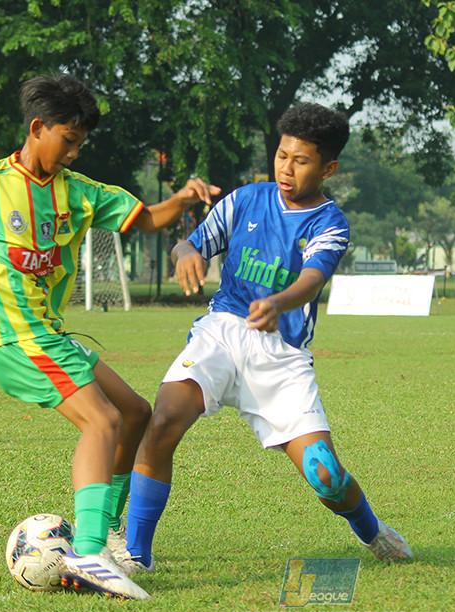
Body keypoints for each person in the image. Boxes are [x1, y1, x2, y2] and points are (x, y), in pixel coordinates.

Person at [0, 74, 219, 600]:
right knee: (103, 420)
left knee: (135, 411)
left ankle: (109, 536)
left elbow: (145, 220)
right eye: (68, 140)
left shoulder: (77, 194)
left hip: (51, 335)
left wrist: (184, 197)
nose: (74, 152)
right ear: (37, 128)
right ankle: (91, 554)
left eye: (80, 144)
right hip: (13, 336)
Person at [121, 102, 412, 574]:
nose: (286, 168)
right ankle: (137, 554)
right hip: (221, 333)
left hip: (281, 355)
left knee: (325, 474)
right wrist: (184, 251)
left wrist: (278, 303)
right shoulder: (245, 200)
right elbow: (191, 241)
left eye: (301, 160)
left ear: (328, 167)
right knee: (163, 421)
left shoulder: (330, 223)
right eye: (282, 155)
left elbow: (312, 280)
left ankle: (372, 530)